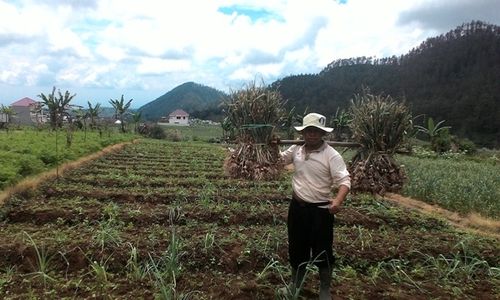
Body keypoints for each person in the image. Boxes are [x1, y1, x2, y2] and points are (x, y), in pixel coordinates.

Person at [280, 112, 351, 300]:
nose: (312, 134)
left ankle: (325, 291)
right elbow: (279, 161)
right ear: (303, 132)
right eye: (309, 131)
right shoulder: (296, 149)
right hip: (297, 208)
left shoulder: (331, 155)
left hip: (320, 212)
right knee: (296, 249)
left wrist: (337, 201)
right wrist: (270, 147)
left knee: (322, 251)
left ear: (322, 134)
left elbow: (344, 180)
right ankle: (295, 287)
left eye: (316, 131)